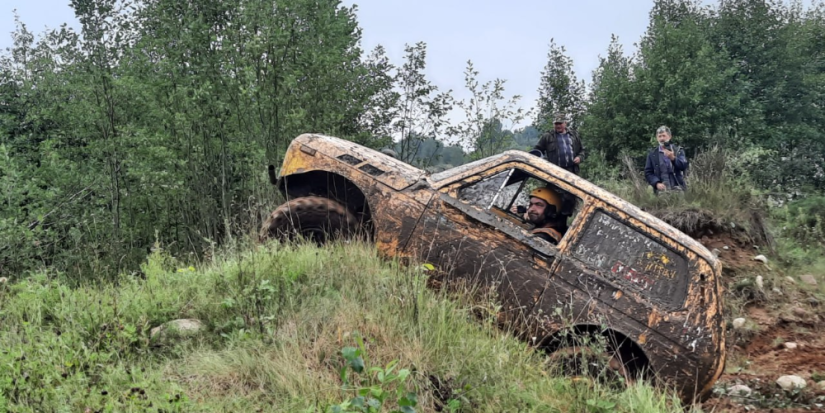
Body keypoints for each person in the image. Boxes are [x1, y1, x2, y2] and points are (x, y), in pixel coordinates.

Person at [644, 126, 688, 194]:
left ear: (669, 136)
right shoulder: (652, 154)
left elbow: (683, 166)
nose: (662, 139)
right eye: (659, 136)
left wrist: (673, 159)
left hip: (679, 189)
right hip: (661, 191)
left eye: (664, 136)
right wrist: (656, 183)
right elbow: (648, 173)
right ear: (657, 138)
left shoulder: (678, 150)